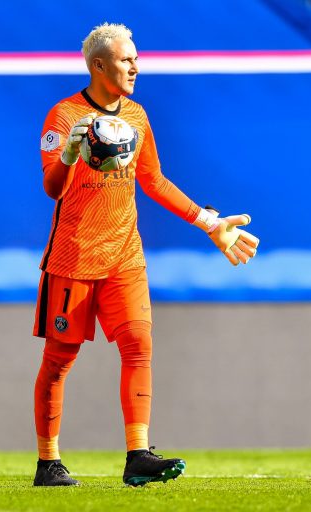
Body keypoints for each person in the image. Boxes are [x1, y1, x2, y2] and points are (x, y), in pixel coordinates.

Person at [32, 23, 259, 487]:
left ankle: (138, 455)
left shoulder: (136, 116)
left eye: (136, 58)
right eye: (125, 59)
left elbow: (153, 180)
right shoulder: (63, 116)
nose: (136, 66)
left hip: (124, 257)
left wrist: (211, 223)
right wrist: (73, 152)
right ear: (98, 65)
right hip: (74, 258)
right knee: (59, 360)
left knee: (139, 346)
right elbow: (52, 188)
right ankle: (48, 462)